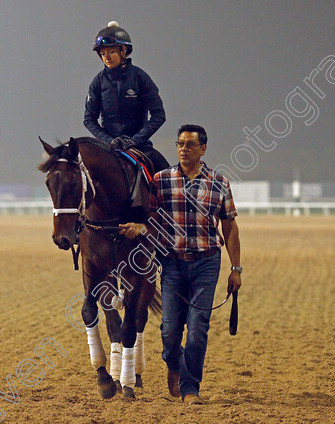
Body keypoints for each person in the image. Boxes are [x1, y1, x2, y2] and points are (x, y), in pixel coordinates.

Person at [119, 124, 243, 405]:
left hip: (207, 262)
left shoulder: (219, 182)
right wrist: (138, 228)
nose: (183, 149)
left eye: (189, 145)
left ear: (203, 149)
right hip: (172, 264)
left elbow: (230, 227)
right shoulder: (161, 181)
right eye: (180, 144)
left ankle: (190, 389)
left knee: (198, 328)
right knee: (169, 331)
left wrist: (236, 269)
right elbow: (151, 220)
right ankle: (174, 365)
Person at [84, 21, 169, 172]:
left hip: (140, 147)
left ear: (124, 51)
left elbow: (159, 115)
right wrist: (108, 141)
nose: (106, 57)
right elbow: (89, 119)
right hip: (109, 148)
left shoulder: (140, 77)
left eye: (111, 52)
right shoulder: (97, 82)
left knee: (167, 175)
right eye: (102, 53)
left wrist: (136, 140)